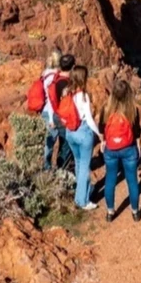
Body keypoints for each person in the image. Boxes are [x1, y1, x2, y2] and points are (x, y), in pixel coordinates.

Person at [60, 65, 102, 210]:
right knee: (84, 166)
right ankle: (82, 201)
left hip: (70, 133)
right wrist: (99, 134)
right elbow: (89, 119)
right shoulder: (83, 96)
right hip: (83, 133)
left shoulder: (67, 92)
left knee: (78, 162)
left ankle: (82, 191)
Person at [100, 80, 141, 222]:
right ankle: (135, 212)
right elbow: (136, 132)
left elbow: (102, 129)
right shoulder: (132, 110)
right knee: (132, 180)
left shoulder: (106, 108)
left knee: (110, 179)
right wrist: (138, 146)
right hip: (129, 148)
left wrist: (103, 142)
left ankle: (110, 212)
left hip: (111, 148)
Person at [43, 52, 75, 171]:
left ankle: (52, 168)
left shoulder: (54, 77)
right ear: (72, 67)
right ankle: (63, 170)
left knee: (55, 142)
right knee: (65, 144)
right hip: (61, 116)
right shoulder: (65, 82)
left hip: (55, 114)